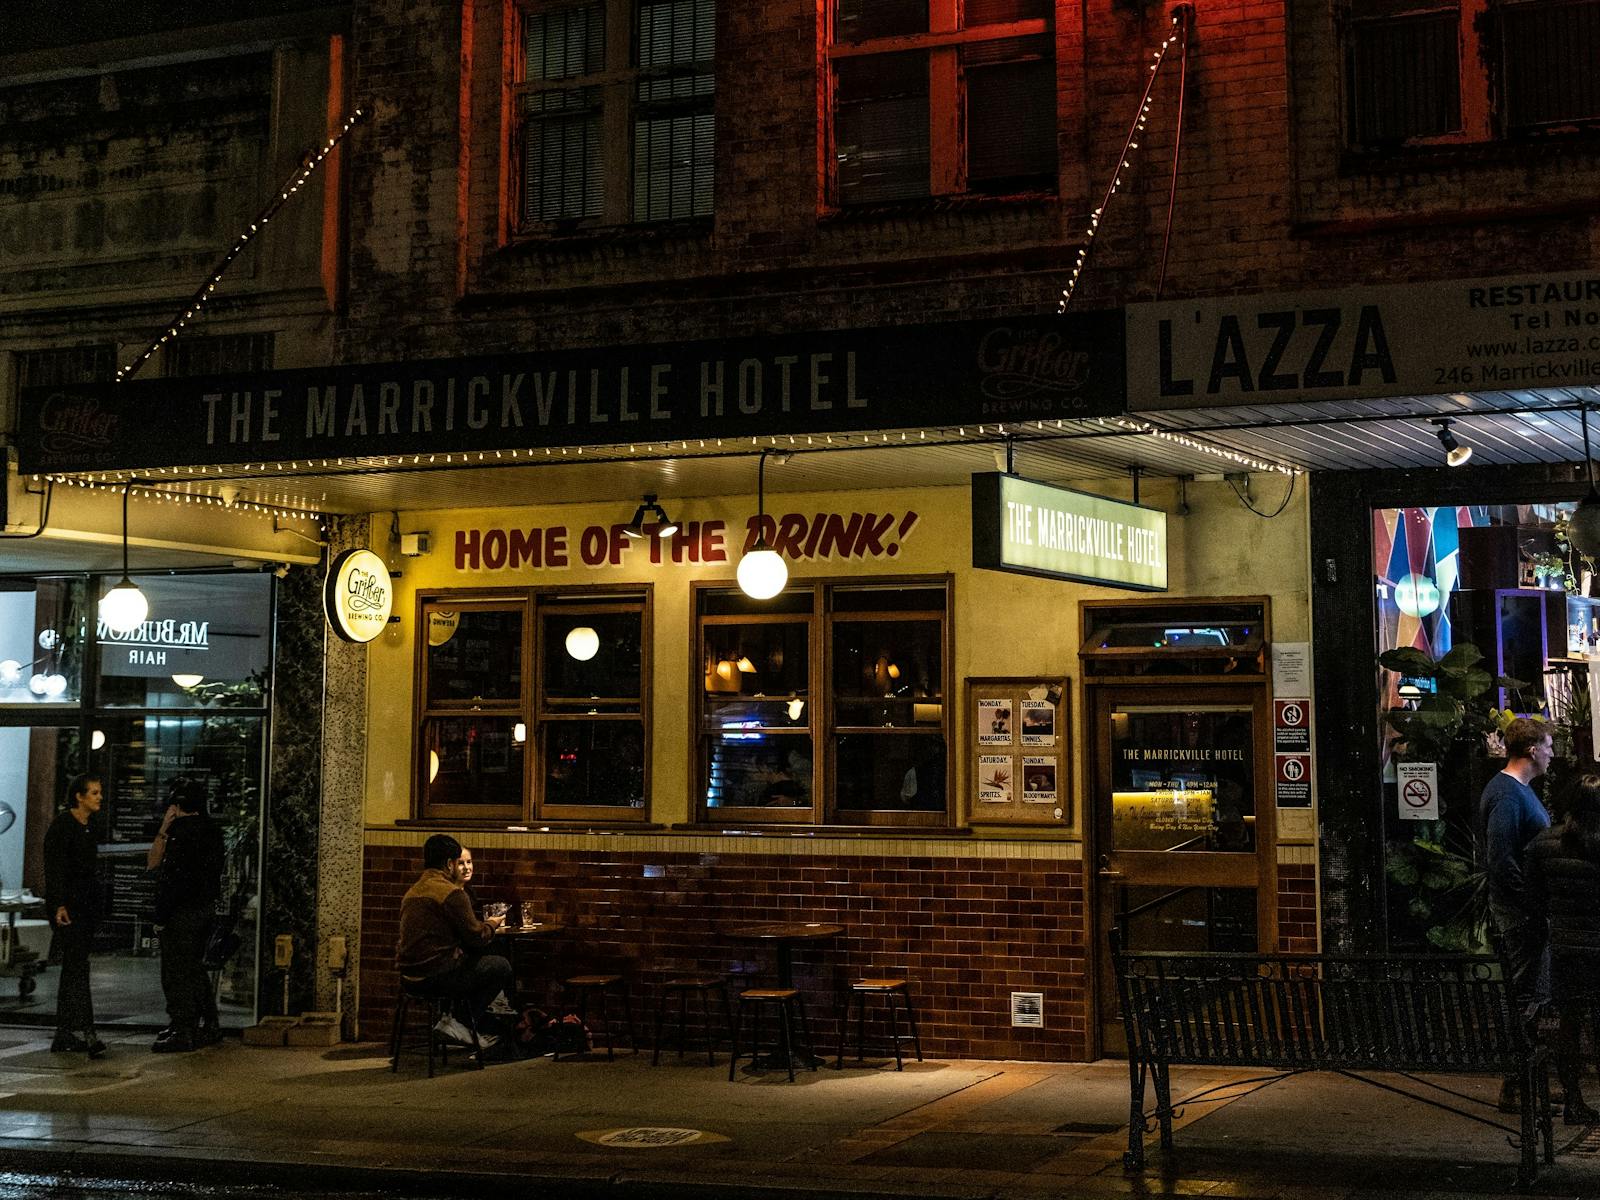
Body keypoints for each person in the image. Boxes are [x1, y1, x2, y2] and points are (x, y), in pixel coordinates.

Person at [1478, 715, 1554, 1111]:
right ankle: (1517, 1085)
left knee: (1532, 996)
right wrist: (1530, 903)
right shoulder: (1507, 795)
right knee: (1526, 997)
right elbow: (1501, 859)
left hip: (1522, 912)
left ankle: (1528, 1082)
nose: (1552, 753)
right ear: (1531, 750)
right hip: (1518, 916)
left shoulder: (1516, 790)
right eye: (1548, 746)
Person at [1524, 772, 1600, 1125]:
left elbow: (1534, 901)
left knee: (1569, 1025)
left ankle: (1573, 1100)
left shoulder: (1544, 844)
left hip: (1566, 951)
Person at [395, 834, 510, 1050]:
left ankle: (456, 1023)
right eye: (458, 862)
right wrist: (493, 924)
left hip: (408, 978)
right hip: (437, 976)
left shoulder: (412, 892)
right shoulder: (450, 893)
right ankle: (459, 1023)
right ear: (449, 863)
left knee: (470, 963)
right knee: (500, 966)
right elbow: (477, 937)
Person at [146, 777, 226, 1053]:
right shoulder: (213, 831)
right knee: (194, 968)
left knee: (176, 971)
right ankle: (209, 1022)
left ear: (177, 806)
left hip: (180, 913)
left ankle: (183, 1028)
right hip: (203, 909)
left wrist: (165, 828)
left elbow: (158, 867)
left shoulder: (180, 832)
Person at [42, 774, 106, 1058]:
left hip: (83, 905)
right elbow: (54, 868)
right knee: (78, 967)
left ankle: (66, 1031)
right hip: (70, 908)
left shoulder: (88, 827)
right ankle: (86, 1031)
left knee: (75, 968)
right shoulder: (64, 826)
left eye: (99, 792)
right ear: (79, 796)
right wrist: (58, 904)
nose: (99, 797)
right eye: (93, 793)